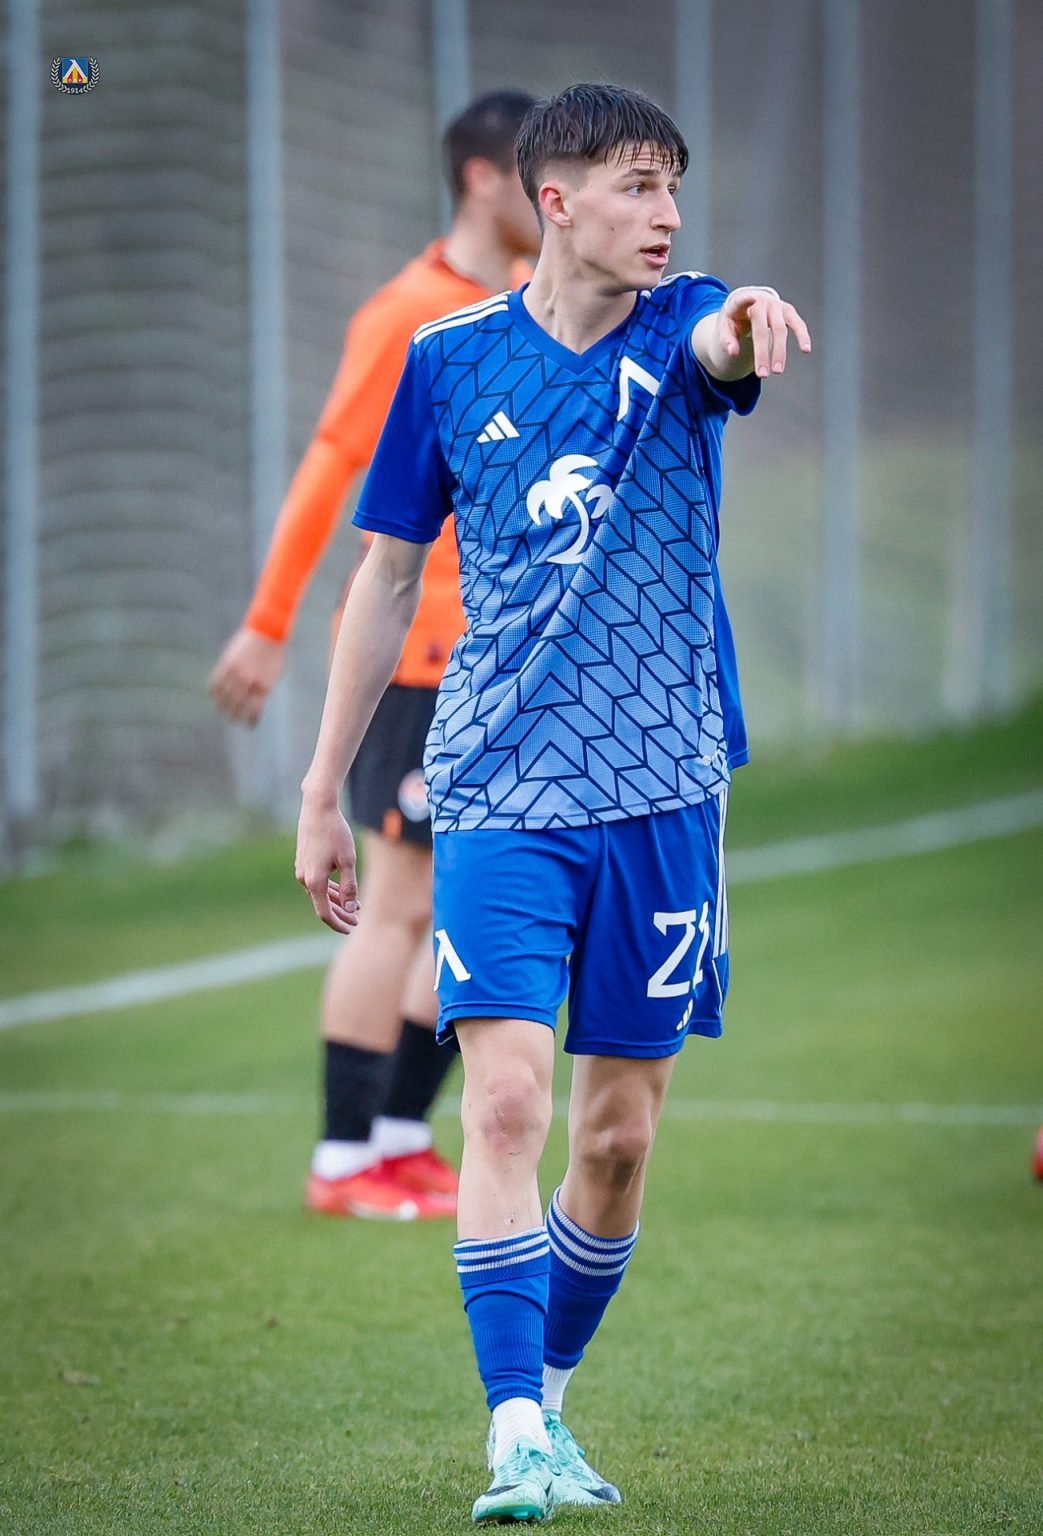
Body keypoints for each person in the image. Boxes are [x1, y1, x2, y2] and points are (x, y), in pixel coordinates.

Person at [295, 82, 811, 1523]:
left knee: (615, 1139)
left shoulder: (680, 324)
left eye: (673, 187)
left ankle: (556, 1399)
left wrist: (748, 313)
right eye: (636, 186)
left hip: (661, 795)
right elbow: (385, 575)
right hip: (497, 788)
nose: (665, 215)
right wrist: (322, 786)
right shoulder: (445, 360)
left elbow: (722, 339)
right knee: (507, 1100)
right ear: (554, 200)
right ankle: (512, 1429)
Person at [209, 91, 540, 1220]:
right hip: (418, 663)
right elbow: (328, 464)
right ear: (483, 181)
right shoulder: (407, 312)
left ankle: (398, 1136)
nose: (556, 197)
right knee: (400, 904)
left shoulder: (527, 308)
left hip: (495, 662)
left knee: (464, 911)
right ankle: (344, 1156)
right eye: (536, 175)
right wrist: (268, 622)